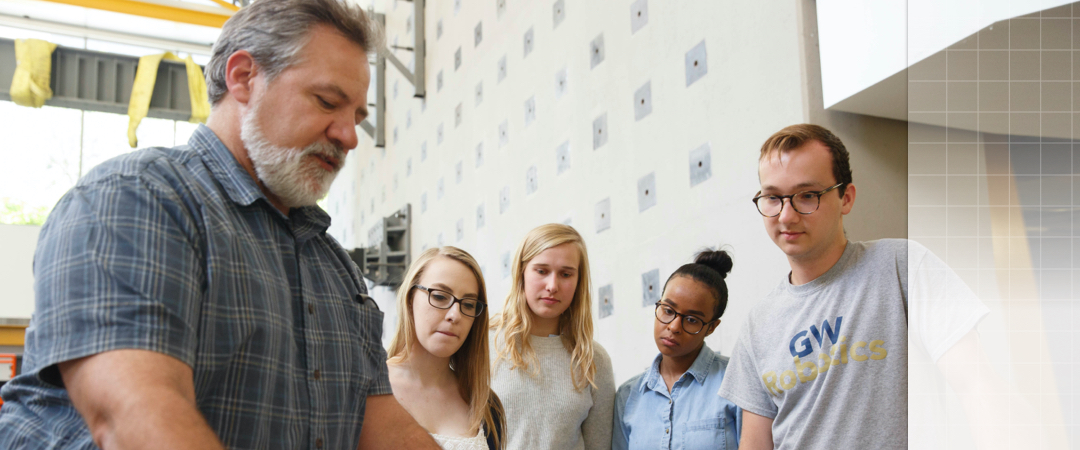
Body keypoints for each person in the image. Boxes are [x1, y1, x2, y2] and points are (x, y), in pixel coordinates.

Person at [0, 0, 442, 448]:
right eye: (328, 102)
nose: (348, 135)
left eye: (357, 118)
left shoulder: (333, 267)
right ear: (244, 77)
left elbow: (382, 425)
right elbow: (133, 418)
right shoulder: (139, 198)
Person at [717, 124, 988, 449]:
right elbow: (756, 444)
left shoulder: (902, 266)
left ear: (846, 197)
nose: (786, 215)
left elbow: (977, 386)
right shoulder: (757, 326)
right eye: (773, 198)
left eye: (807, 195)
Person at [489, 223, 615, 450]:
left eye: (566, 274)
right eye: (541, 271)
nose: (552, 286)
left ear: (578, 281)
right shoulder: (485, 345)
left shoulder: (594, 360)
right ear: (521, 273)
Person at [612, 249, 741, 450]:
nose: (673, 326)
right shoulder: (628, 395)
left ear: (711, 327)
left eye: (691, 320)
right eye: (668, 310)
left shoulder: (735, 380)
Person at [386, 246, 505, 450]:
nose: (455, 315)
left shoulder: (485, 404)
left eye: (468, 304)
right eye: (440, 296)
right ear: (410, 298)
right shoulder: (368, 389)